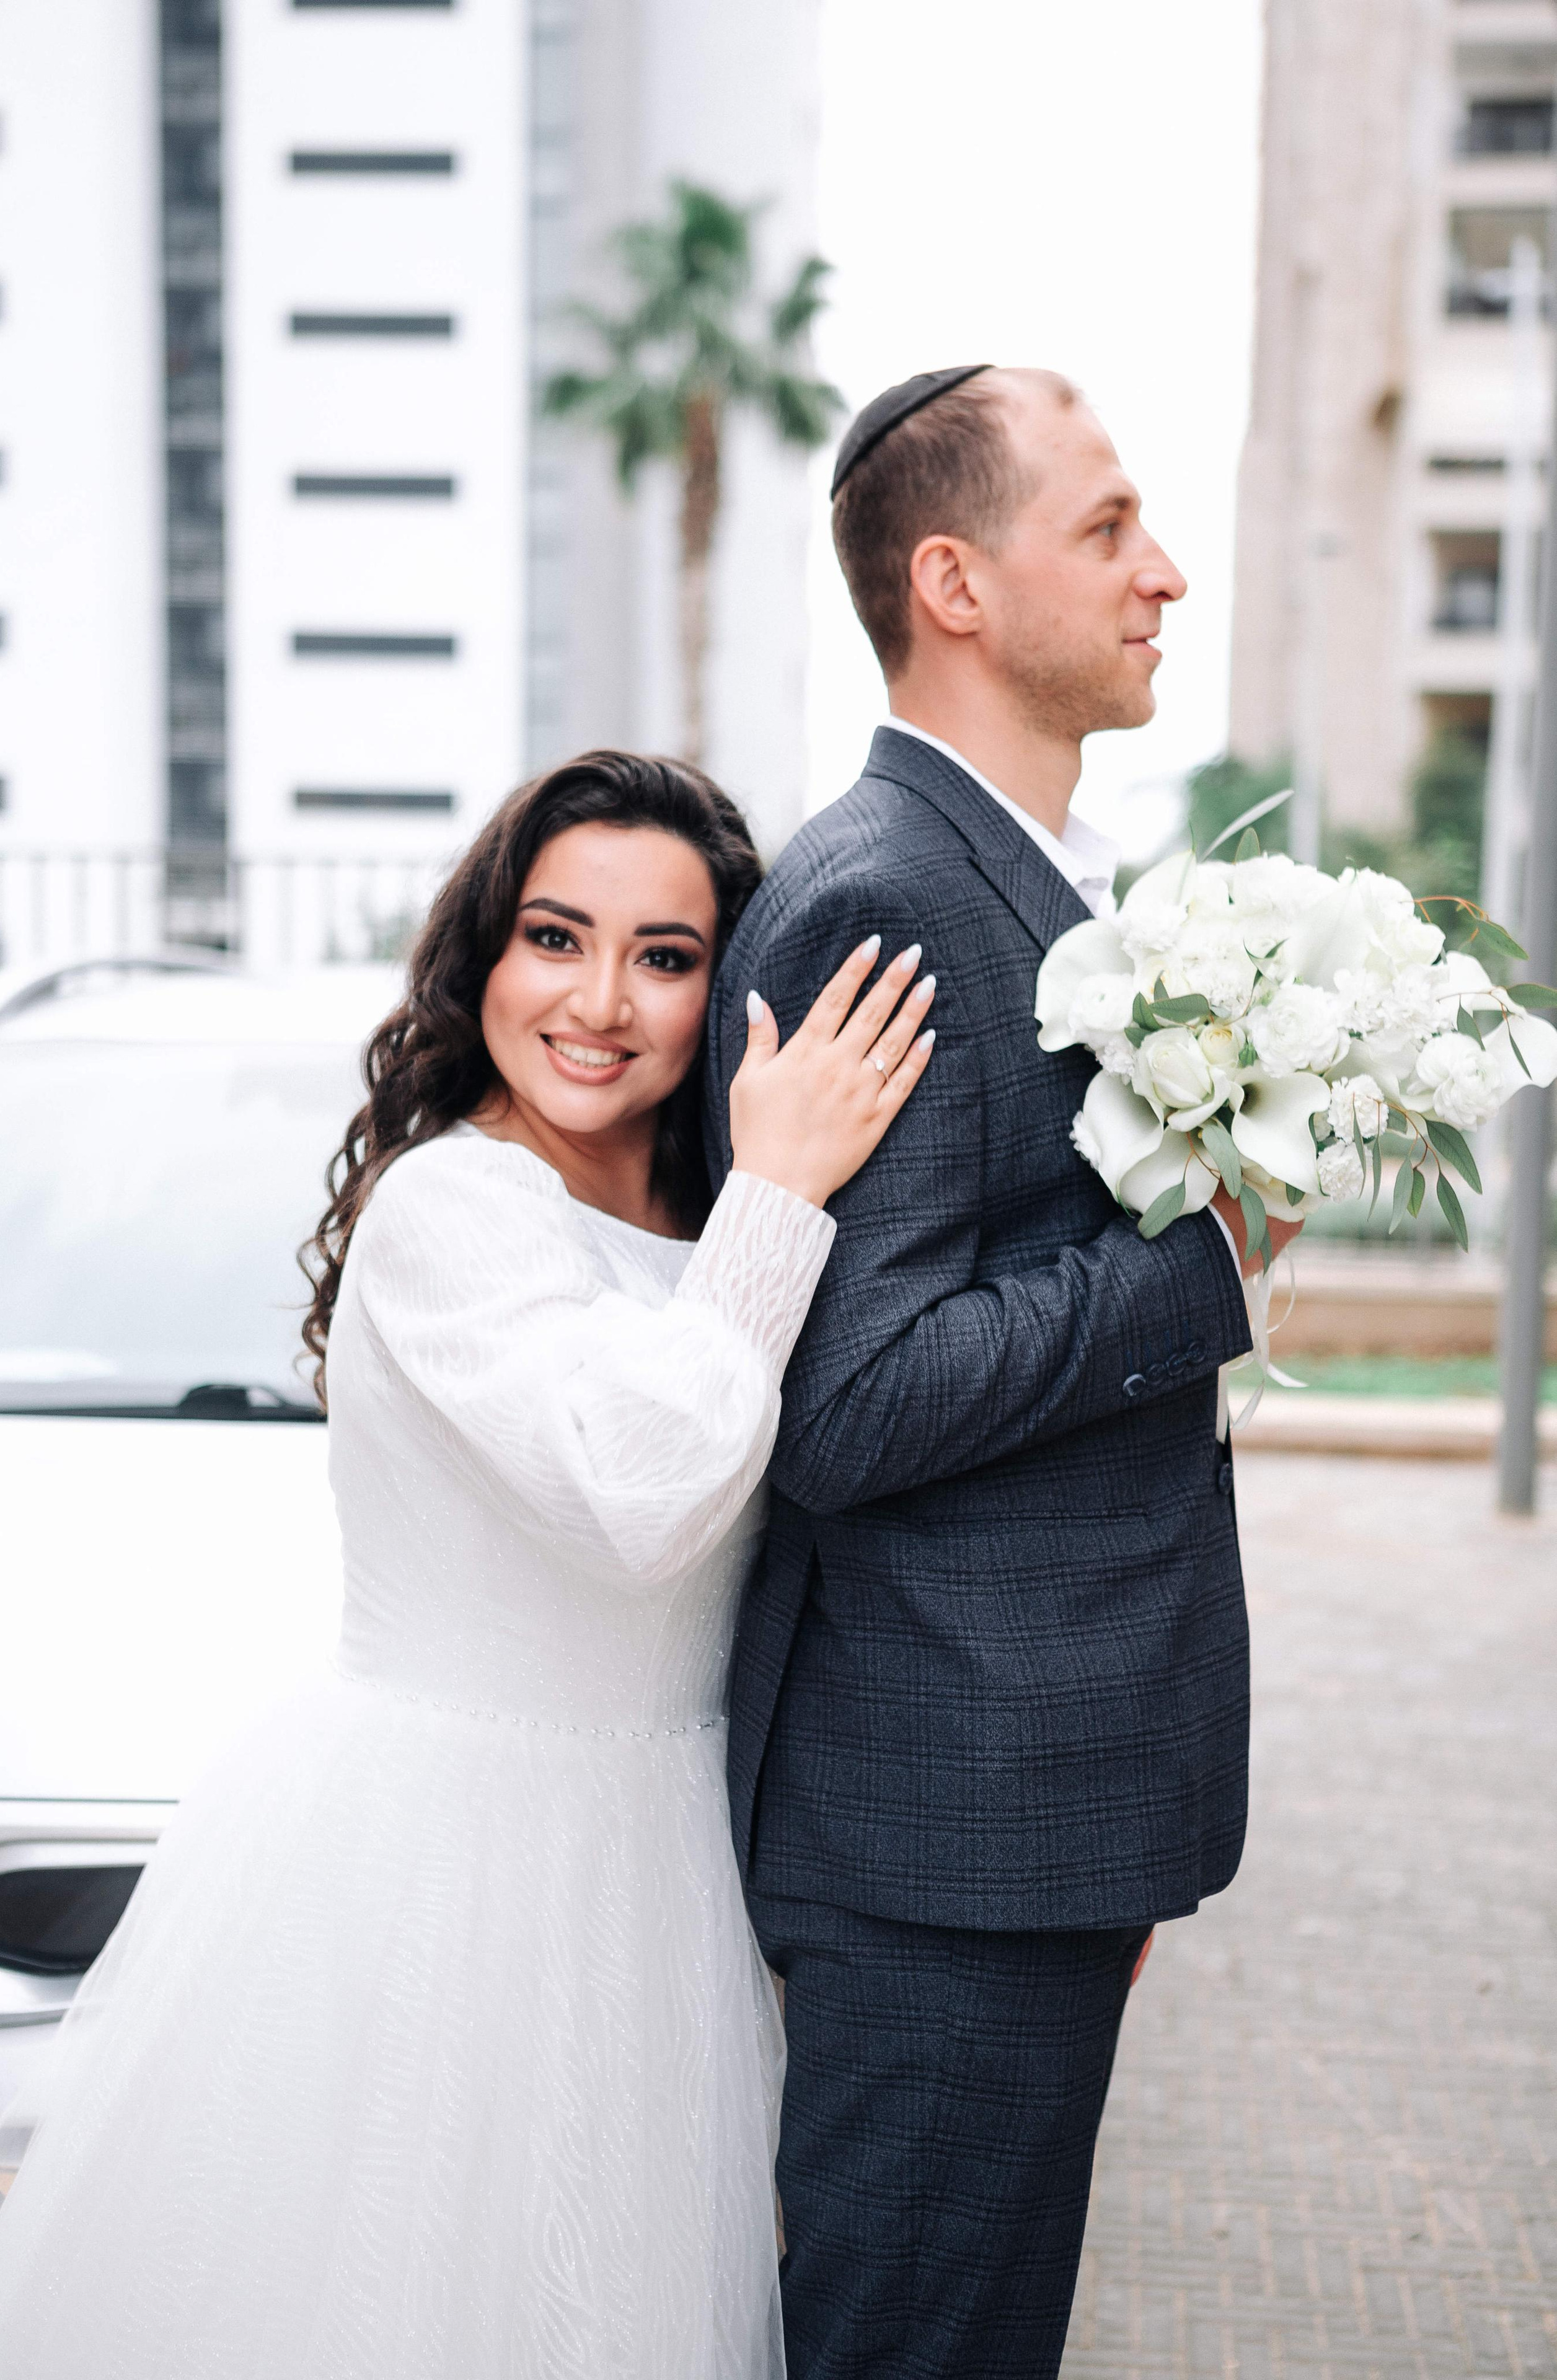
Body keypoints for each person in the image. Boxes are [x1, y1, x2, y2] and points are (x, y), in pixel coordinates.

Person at [0, 750, 935, 2379]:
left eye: (668, 957)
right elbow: (643, 1488)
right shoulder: (456, 1205)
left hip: (657, 1874)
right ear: (483, 955)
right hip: (440, 1884)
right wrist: (784, 1187)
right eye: (555, 938)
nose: (601, 1002)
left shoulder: (721, 1237)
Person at [705, 368, 1302, 2380]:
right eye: (1112, 528)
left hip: (1016, 1821)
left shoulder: (1026, 888)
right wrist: (1201, 1266)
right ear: (953, 581)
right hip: (936, 1846)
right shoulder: (888, 896)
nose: (1168, 575)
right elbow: (845, 1407)